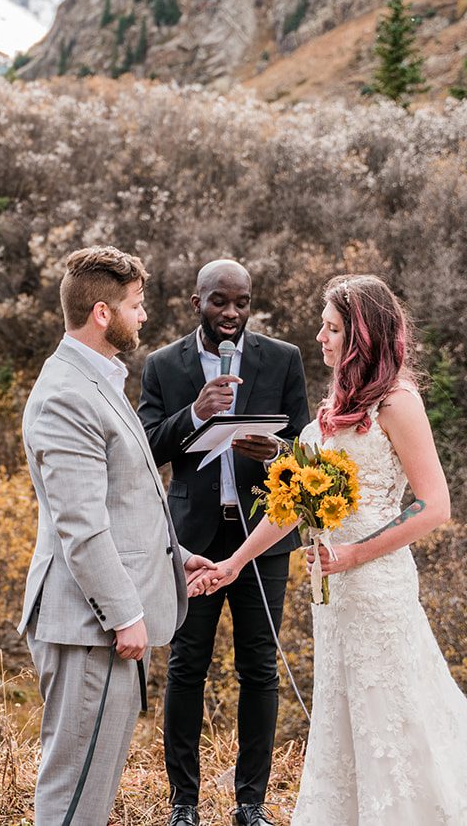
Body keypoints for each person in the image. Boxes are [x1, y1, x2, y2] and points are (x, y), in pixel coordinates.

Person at [193, 274, 467, 825]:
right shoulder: (333, 405)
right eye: (322, 326)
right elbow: (291, 503)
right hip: (331, 593)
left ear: (362, 336)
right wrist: (235, 562)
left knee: (399, 713)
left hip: (377, 584)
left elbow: (434, 505)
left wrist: (354, 556)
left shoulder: (397, 402)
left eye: (332, 328)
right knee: (343, 714)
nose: (319, 337)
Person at [19, 245, 215, 826]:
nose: (145, 316)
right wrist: (124, 613)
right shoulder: (65, 395)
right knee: (75, 792)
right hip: (90, 627)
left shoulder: (100, 379)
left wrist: (174, 557)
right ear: (102, 313)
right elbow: (80, 525)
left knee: (93, 786)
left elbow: (124, 501)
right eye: (137, 304)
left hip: (104, 620)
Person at [139, 259, 309, 826]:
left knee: (259, 667)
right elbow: (145, 451)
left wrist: (278, 453)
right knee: (188, 665)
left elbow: (307, 452)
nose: (231, 314)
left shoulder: (283, 358)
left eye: (241, 302)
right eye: (219, 302)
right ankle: (183, 804)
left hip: (264, 536)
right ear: (196, 303)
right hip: (194, 541)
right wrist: (194, 413)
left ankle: (250, 805)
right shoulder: (164, 365)